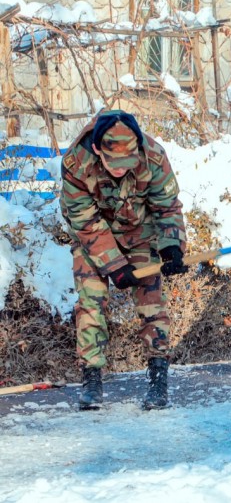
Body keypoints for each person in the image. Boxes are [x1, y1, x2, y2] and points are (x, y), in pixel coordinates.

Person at [60, 109, 188, 410]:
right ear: (97, 149)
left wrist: (171, 247)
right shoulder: (76, 163)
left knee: (152, 302)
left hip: (139, 233)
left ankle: (159, 379)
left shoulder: (152, 155)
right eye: (113, 163)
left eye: (126, 163)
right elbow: (84, 221)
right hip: (93, 237)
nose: (120, 170)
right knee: (91, 301)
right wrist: (115, 266)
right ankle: (91, 380)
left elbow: (167, 206)